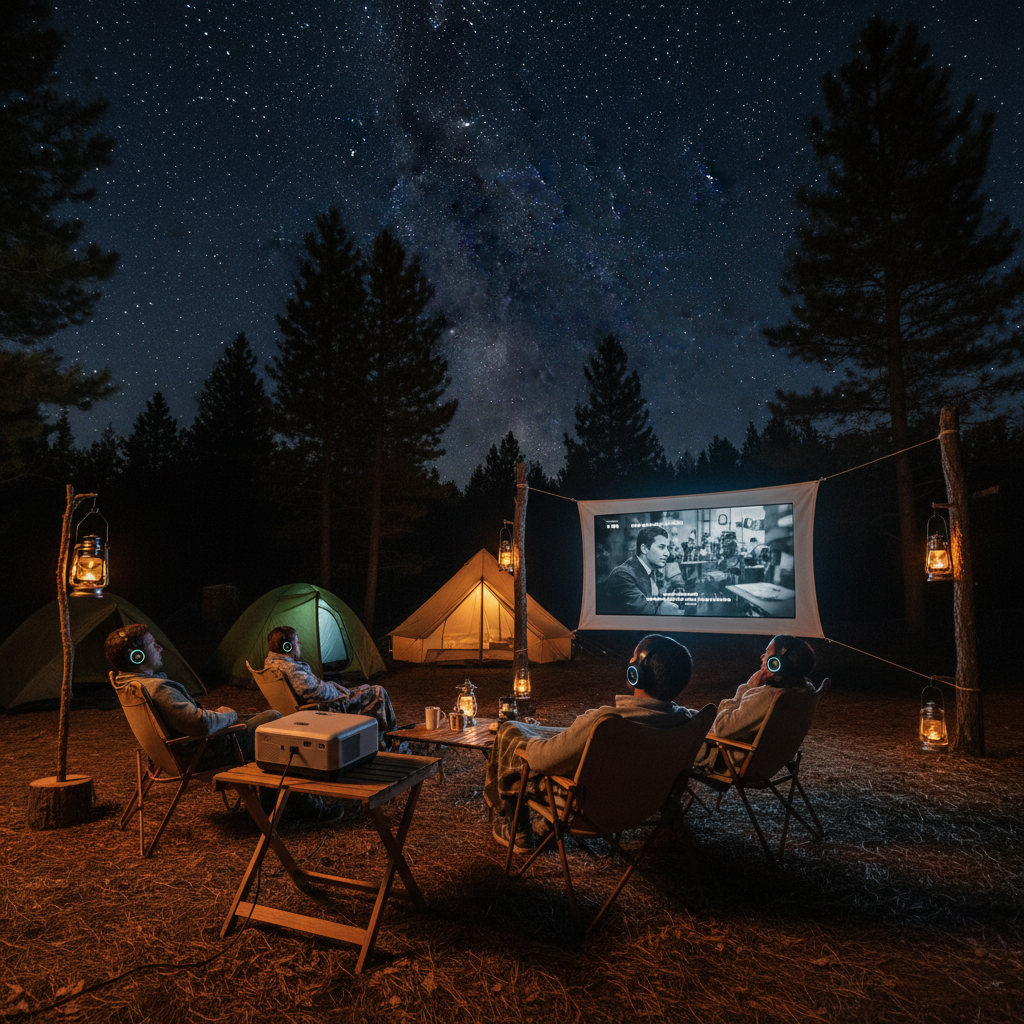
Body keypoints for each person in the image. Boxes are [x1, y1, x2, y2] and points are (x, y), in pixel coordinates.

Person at [106, 624, 341, 822]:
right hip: (206, 752)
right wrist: (228, 714)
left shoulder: (129, 684)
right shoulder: (157, 689)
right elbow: (202, 725)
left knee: (267, 722)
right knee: (274, 722)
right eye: (152, 645)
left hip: (175, 754)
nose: (159, 648)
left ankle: (273, 801)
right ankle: (302, 804)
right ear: (137, 656)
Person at [484, 634, 696, 853]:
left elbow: (541, 760)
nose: (629, 662)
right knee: (541, 736)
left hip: (586, 807)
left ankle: (517, 831)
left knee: (509, 732)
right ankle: (539, 827)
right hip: (642, 803)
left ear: (637, 675)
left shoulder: (606, 722)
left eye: (633, 658)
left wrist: (531, 744)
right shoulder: (686, 722)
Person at [696, 634, 816, 769]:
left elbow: (721, 728)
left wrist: (747, 688)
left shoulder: (769, 697)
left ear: (775, 663)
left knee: (679, 731)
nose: (762, 657)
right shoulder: (807, 690)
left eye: (767, 653)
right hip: (772, 761)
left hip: (728, 758)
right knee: (691, 715)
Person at [263, 626, 398, 743]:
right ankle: (386, 740)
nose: (299, 645)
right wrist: (339, 690)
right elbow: (315, 693)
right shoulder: (290, 668)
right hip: (326, 709)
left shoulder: (271, 663)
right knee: (377, 691)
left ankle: (383, 737)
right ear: (288, 646)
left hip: (316, 705)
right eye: (297, 642)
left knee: (367, 689)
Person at [602, 526, 684, 615]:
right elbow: (647, 612)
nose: (667, 553)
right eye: (661, 547)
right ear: (644, 549)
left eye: (667, 548)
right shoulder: (622, 575)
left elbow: (657, 602)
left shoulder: (649, 569)